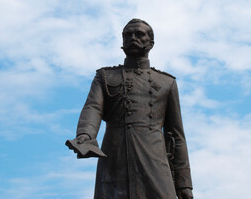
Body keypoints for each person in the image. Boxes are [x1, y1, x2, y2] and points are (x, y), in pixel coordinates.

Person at [68, 19, 193, 199]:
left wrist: (184, 184)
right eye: (127, 35)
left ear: (151, 42)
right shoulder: (105, 77)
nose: (132, 38)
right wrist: (85, 136)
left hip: (155, 161)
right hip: (116, 156)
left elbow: (176, 136)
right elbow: (93, 108)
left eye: (139, 34)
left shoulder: (166, 83)